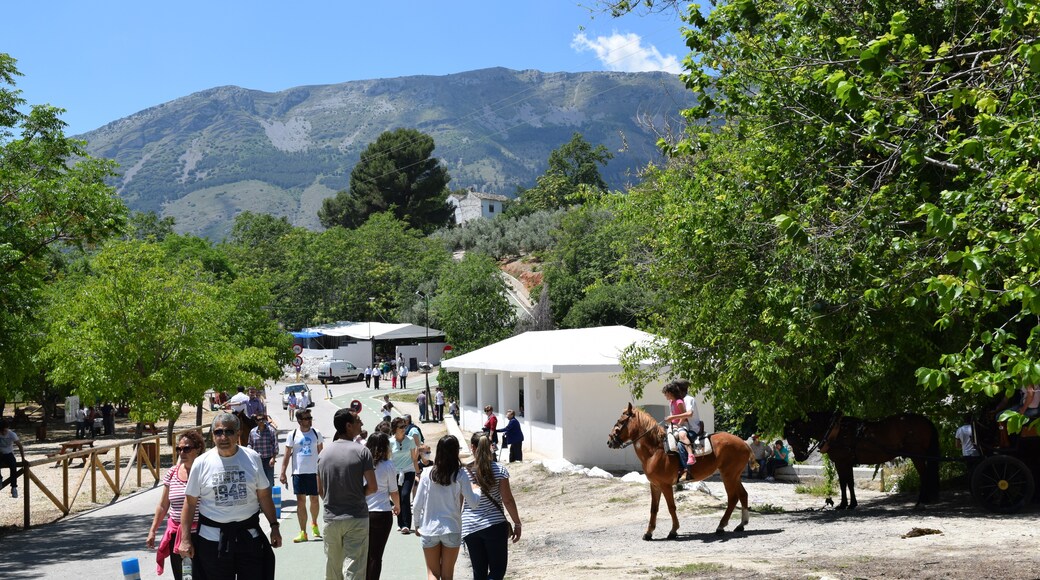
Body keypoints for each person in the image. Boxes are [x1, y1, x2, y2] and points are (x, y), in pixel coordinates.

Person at [177, 413, 281, 578]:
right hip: (212, 541)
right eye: (218, 432)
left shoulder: (252, 458)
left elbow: (264, 496)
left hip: (248, 537)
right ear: (213, 435)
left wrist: (274, 526)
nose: (223, 437)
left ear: (238, 434)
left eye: (229, 432)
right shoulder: (201, 463)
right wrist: (185, 539)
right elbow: (189, 503)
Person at [316, 408, 376, 580]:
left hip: (331, 518)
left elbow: (320, 490)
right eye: (358, 421)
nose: (361, 423)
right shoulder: (362, 452)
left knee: (333, 570)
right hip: (356, 517)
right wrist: (356, 494)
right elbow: (372, 486)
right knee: (354, 569)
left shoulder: (323, 454)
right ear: (349, 426)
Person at [414, 435, 482, 580]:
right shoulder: (460, 474)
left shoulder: (427, 473)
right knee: (447, 575)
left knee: (432, 573)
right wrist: (477, 489)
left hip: (429, 529)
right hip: (451, 528)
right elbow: (474, 503)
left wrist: (417, 525)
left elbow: (417, 504)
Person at [462, 433, 523, 580]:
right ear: (491, 447)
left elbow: (459, 502)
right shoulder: (499, 470)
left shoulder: (463, 472)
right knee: (497, 571)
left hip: (470, 526)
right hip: (494, 525)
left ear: (472, 447)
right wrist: (517, 523)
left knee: (479, 572)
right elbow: (507, 499)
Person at [147, 430, 206, 580]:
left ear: (198, 448)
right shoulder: (172, 472)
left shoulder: (206, 471)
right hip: (177, 535)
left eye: (186, 448)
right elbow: (163, 505)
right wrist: (153, 530)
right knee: (183, 577)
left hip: (203, 534)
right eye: (179, 449)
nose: (182, 452)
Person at [279, 408, 325, 543]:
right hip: (298, 473)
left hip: (314, 472)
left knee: (315, 500)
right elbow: (287, 455)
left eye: (310, 417)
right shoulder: (292, 435)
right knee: (300, 502)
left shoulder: (316, 433)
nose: (309, 420)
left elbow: (321, 454)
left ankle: (314, 523)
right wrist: (282, 473)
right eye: (306, 418)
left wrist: (323, 471)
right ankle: (303, 532)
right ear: (299, 420)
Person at [364, 432, 400, 580]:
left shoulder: (361, 464)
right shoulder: (388, 465)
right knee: (375, 556)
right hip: (381, 513)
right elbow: (394, 491)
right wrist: (397, 506)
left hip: (362, 512)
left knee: (363, 555)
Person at [390, 416, 420, 534]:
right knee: (397, 496)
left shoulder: (410, 440)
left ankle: (406, 524)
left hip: (408, 471)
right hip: (395, 472)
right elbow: (388, 459)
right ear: (395, 429)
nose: (404, 428)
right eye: (401, 427)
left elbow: (414, 458)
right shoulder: (390, 442)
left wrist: (418, 472)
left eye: (405, 426)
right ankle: (400, 522)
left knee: (405, 494)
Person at [662, 382, 697, 473]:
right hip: (675, 425)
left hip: (688, 426)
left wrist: (677, 423)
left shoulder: (684, 400)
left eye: (666, 393)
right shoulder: (672, 402)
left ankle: (686, 469)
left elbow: (686, 415)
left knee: (681, 442)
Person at [248, 415, 279, 486]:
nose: (261, 421)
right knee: (258, 480)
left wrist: (273, 458)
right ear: (256, 421)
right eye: (259, 420)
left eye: (263, 419)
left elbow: (275, 445)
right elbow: (250, 444)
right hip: (257, 460)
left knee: (270, 480)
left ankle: (271, 496)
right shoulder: (252, 432)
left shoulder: (271, 430)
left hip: (268, 459)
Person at [0, 417, 26, 498]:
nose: (3, 433)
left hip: (9, 453)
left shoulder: (12, 434)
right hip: (0, 453)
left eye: (5, 430)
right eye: (2, 431)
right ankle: (0, 479)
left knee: (13, 466)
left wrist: (23, 459)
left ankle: (14, 487)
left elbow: (20, 446)